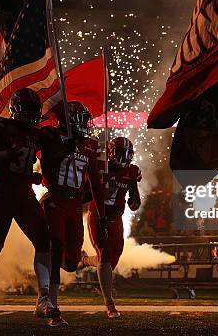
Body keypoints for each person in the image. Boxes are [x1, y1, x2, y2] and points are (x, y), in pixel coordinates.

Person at [0, 88, 54, 320]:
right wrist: (7, 153)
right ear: (15, 109)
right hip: (2, 193)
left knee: (44, 240)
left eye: (34, 110)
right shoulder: (2, 127)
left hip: (24, 194)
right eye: (28, 110)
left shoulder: (36, 133)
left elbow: (57, 145)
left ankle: (43, 296)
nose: (32, 115)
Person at [39, 101, 106, 327]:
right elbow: (44, 162)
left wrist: (103, 215)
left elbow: (95, 183)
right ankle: (52, 307)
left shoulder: (89, 145)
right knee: (55, 248)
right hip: (55, 200)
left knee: (69, 264)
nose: (86, 125)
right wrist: (61, 148)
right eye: (82, 120)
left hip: (75, 205)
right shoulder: (52, 136)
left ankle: (82, 260)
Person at [80, 136, 142, 318]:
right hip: (99, 216)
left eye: (127, 154)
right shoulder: (99, 167)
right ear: (112, 152)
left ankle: (84, 260)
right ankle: (110, 303)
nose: (124, 158)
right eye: (121, 153)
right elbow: (82, 195)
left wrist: (133, 202)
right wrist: (99, 188)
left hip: (116, 218)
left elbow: (134, 200)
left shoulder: (131, 172)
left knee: (112, 257)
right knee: (105, 256)